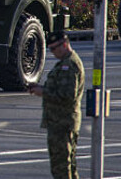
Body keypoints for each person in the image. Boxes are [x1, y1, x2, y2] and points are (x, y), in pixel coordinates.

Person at [29, 30, 84, 179]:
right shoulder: (65, 63)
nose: (53, 52)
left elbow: (67, 96)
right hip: (59, 122)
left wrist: (43, 92)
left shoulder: (69, 65)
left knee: (62, 167)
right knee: (66, 165)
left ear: (64, 45)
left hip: (63, 123)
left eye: (54, 48)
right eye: (50, 49)